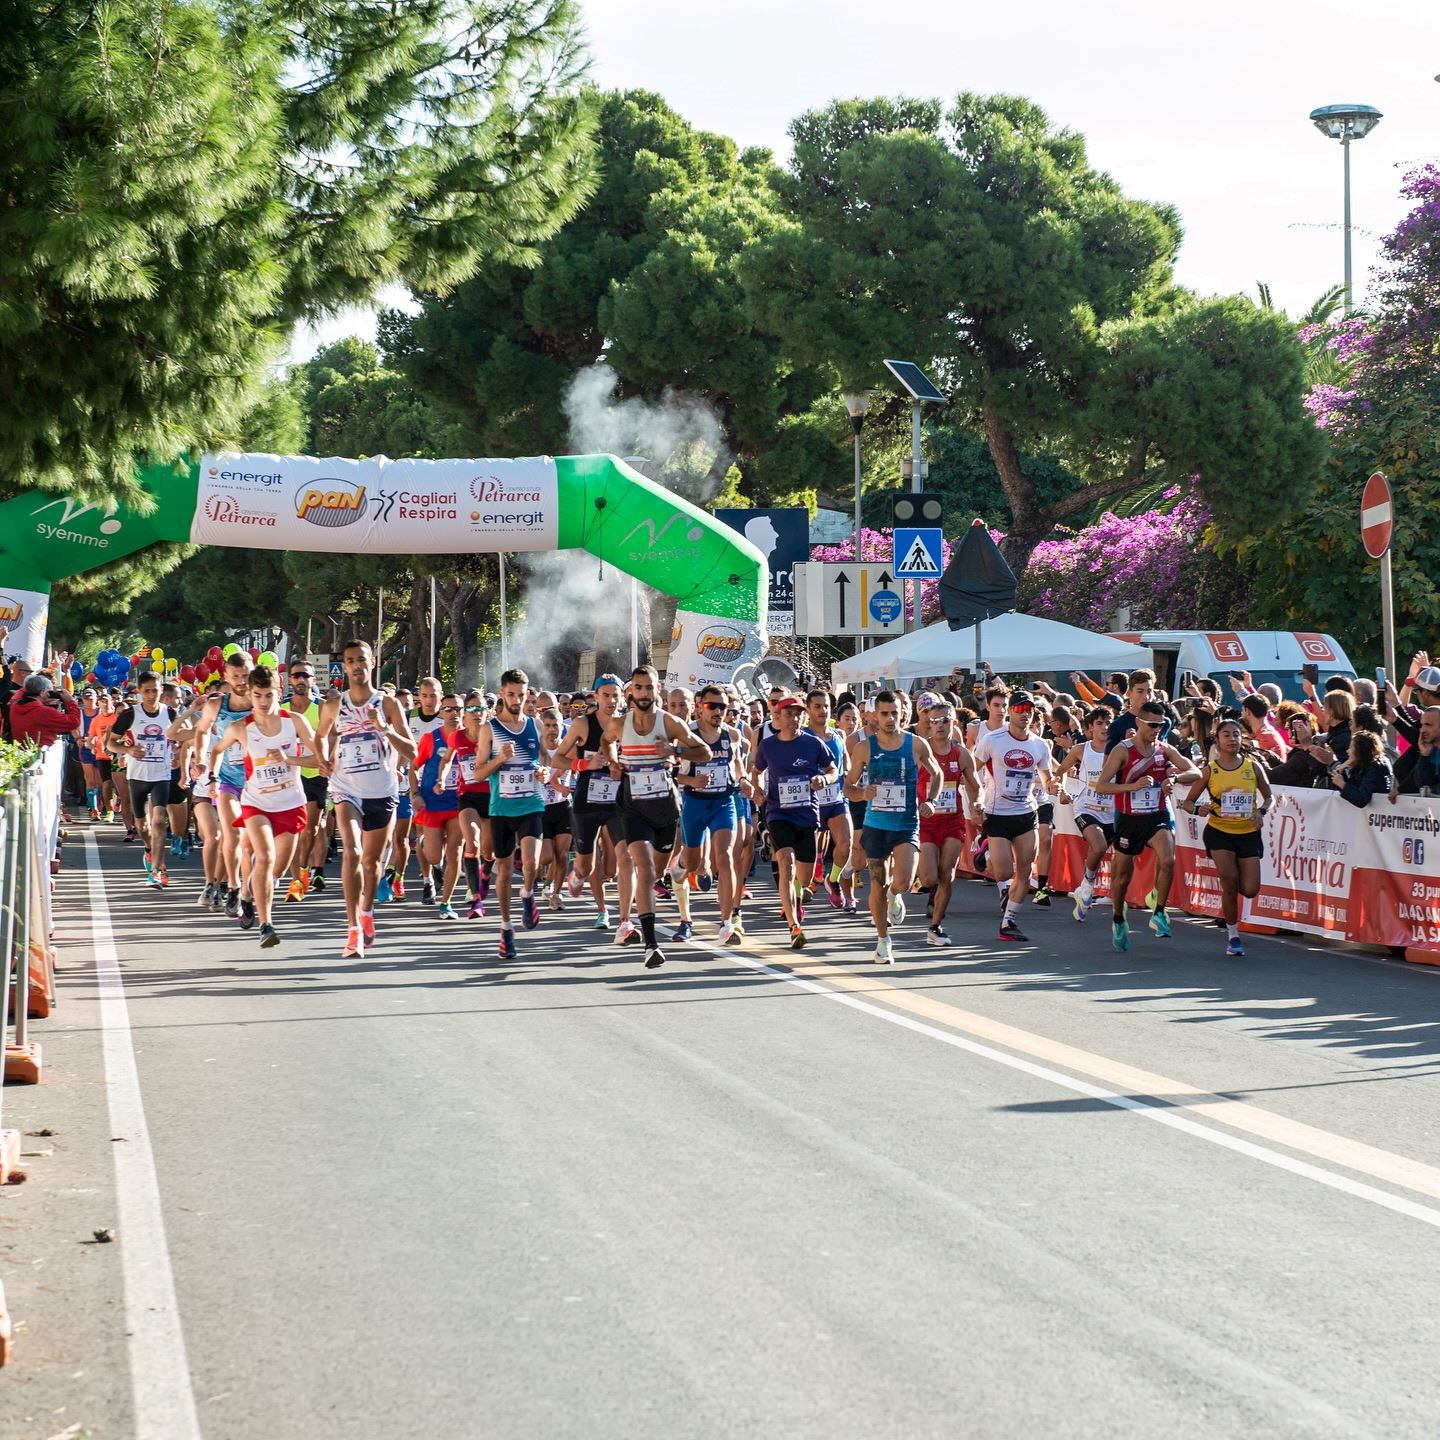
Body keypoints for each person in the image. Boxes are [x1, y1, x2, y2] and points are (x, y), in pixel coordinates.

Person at [600, 665, 711, 969]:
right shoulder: (619, 724)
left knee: (656, 872)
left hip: (664, 807)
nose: (644, 694)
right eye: (639, 688)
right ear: (631, 692)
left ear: (657, 689)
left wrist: (675, 751)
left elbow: (704, 753)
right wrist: (612, 761)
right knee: (644, 870)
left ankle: (673, 870)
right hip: (632, 806)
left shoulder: (671, 723)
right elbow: (606, 742)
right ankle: (651, 944)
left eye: (649, 688)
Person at [314, 640, 417, 956]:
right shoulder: (334, 706)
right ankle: (352, 928)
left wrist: (384, 729)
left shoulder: (387, 705)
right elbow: (320, 735)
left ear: (372, 663)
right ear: (343, 667)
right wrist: (323, 758)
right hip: (347, 790)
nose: (356, 665)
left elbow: (412, 751)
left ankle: (367, 911)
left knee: (371, 863)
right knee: (352, 852)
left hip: (382, 792)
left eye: (362, 660)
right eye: (350, 661)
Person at [210, 666, 326, 948]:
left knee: (278, 869)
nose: (263, 702)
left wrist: (290, 759)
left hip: (290, 802)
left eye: (269, 695)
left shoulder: (295, 722)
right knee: (264, 856)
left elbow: (319, 760)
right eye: (257, 695)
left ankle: (249, 891)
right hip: (256, 803)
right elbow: (216, 750)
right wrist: (212, 775)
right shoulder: (240, 727)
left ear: (279, 691)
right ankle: (266, 924)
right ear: (250, 694)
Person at [1093, 700, 1200, 951]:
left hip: (1156, 814)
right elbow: (1101, 785)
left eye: (1161, 725)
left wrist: (1174, 777)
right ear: (1139, 723)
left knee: (1168, 858)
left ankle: (1159, 912)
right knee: (1121, 878)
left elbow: (1196, 771)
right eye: (1152, 725)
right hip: (1129, 818)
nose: (1156, 730)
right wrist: (1133, 786)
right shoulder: (1123, 750)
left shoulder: (1164, 750)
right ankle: (1119, 918)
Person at [845, 690, 942, 964]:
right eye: (884, 713)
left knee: (903, 881)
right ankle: (883, 940)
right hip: (875, 825)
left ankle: (895, 894)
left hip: (906, 824)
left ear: (903, 713)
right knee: (876, 884)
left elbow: (937, 773)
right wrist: (862, 793)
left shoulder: (916, 744)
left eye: (894, 713)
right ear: (875, 715)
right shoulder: (864, 748)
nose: (889, 719)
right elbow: (848, 786)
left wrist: (932, 801)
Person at [752, 695, 839, 950]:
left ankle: (797, 898)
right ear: (778, 717)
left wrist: (825, 780)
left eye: (798, 713)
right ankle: (794, 926)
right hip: (778, 813)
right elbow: (755, 771)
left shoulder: (813, 744)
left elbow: (833, 770)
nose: (794, 718)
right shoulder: (768, 746)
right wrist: (758, 791)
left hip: (807, 816)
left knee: (804, 875)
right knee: (786, 865)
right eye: (788, 713)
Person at [471, 669, 547, 959]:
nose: (517, 699)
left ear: (528, 694)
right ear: (502, 694)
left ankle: (527, 893)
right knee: (503, 870)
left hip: (531, 803)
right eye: (511, 694)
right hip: (501, 808)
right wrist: (500, 758)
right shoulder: (490, 729)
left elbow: (544, 762)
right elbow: (478, 773)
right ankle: (506, 928)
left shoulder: (536, 725)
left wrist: (543, 772)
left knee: (532, 861)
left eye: (522, 693)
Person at [1181, 716, 1271, 957]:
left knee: (1250, 889)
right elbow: (1187, 802)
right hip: (1219, 832)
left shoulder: (1253, 767)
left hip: (1248, 833)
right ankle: (1233, 935)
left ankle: (1232, 910)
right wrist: (1197, 808)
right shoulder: (1210, 771)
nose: (1232, 739)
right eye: (1226, 735)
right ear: (1218, 741)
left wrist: (1260, 811)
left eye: (1236, 734)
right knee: (1229, 881)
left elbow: (1269, 797)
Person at [972, 690, 1054, 943]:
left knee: (1026, 868)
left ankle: (1008, 922)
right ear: (1010, 712)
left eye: (1029, 710)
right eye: (1019, 710)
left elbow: (1047, 779)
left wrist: (1055, 788)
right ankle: (984, 848)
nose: (1025, 714)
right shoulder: (993, 740)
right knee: (1004, 871)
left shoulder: (1040, 745)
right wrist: (977, 798)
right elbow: (972, 770)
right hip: (998, 813)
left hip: (1026, 812)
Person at [549, 676, 626, 931]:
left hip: (617, 800)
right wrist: (584, 764)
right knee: (587, 864)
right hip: (588, 801)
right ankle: (601, 908)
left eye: (616, 695)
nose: (611, 701)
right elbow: (557, 759)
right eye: (606, 695)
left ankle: (624, 918)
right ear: (596, 696)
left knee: (618, 862)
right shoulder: (583, 724)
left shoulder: (630, 724)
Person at [675, 684, 743, 945]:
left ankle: (727, 924)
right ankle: (680, 869)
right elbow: (669, 771)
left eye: (722, 707)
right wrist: (691, 781)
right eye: (711, 706)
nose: (717, 711)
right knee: (691, 864)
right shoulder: (686, 735)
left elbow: (736, 763)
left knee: (725, 856)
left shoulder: (732, 735)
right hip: (694, 802)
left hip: (723, 801)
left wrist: (744, 779)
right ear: (700, 707)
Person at [192, 651, 256, 918]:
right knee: (233, 836)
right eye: (236, 676)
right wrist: (200, 759)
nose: (242, 681)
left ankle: (247, 891)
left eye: (246, 676)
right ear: (226, 677)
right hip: (227, 779)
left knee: (251, 844)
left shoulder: (263, 702)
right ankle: (233, 885)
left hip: (258, 783)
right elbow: (201, 730)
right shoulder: (217, 705)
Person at [917, 702, 980, 947]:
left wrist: (979, 804)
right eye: (935, 721)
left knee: (947, 875)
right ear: (928, 724)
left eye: (945, 720)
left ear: (954, 722)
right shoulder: (921, 751)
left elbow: (975, 785)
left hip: (953, 821)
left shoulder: (961, 754)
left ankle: (935, 926)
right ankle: (901, 889)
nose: (940, 725)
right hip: (926, 821)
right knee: (930, 879)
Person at [107, 672, 177, 888]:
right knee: (143, 825)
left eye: (155, 690)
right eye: (146, 691)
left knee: (158, 821)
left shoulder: (170, 714)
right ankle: (149, 850)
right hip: (137, 775)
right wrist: (128, 750)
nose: (151, 695)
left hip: (161, 775)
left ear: (161, 691)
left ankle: (158, 869)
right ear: (139, 691)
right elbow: (110, 744)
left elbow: (180, 736)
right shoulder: (130, 715)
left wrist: (180, 750)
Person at [1053, 707, 1116, 923]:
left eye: (1108, 723)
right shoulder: (1081, 750)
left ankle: (1087, 888)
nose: (1105, 728)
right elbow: (1059, 772)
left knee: (1112, 854)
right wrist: (1062, 791)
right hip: (1086, 807)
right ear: (1089, 728)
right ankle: (1088, 883)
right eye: (1099, 723)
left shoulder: (1120, 751)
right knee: (1098, 846)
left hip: (1112, 812)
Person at [414, 694, 467, 920]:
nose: (453, 713)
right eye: (448, 709)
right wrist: (415, 794)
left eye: (458, 709)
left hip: (459, 803)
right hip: (432, 803)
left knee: (454, 852)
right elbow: (412, 767)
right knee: (435, 857)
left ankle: (446, 903)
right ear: (441, 712)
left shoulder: (472, 738)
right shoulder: (430, 738)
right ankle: (427, 843)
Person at [9, 671, 80, 749]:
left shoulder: (15, 707)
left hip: (21, 754)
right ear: (42, 692)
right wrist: (70, 702)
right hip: (41, 755)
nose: (50, 694)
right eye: (49, 691)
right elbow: (74, 722)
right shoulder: (45, 712)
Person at [1104, 669, 1170, 752]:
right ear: (1129, 693)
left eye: (1149, 691)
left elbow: (1165, 755)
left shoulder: (1164, 723)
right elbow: (1107, 763)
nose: (1146, 697)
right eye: (1140, 691)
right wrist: (1127, 744)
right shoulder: (1117, 725)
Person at [1324, 731, 1393, 808]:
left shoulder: (1375, 768)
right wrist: (1341, 770)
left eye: (1350, 748)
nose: (1347, 751)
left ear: (1360, 750)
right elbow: (1351, 788)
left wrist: (1342, 784)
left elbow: (1361, 799)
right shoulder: (1361, 765)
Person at [1391, 708, 1440, 797]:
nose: (1422, 730)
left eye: (1428, 725)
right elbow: (1421, 783)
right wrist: (1424, 755)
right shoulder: (1431, 750)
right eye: (1422, 725)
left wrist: (1431, 790)